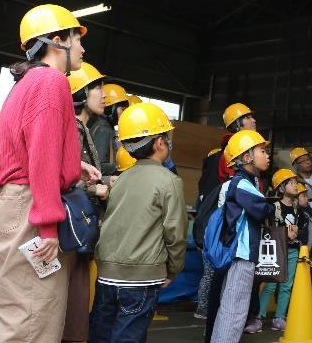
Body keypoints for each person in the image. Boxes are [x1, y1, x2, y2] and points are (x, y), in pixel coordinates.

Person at [0, 4, 101, 343]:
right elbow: (42, 160)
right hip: (31, 207)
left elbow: (27, 148)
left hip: (11, 204)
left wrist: (75, 166)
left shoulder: (26, 83)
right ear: (57, 41)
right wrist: (48, 225)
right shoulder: (51, 82)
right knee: (30, 315)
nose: (82, 48)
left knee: (6, 306)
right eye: (78, 39)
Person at [89, 103, 186, 343]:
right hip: (142, 278)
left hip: (107, 274)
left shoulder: (119, 180)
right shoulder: (169, 181)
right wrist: (172, 270)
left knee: (101, 334)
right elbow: (175, 233)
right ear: (159, 143)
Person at [210, 130, 276, 343]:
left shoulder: (243, 183)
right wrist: (272, 206)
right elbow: (263, 210)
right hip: (241, 255)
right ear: (247, 158)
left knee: (231, 306)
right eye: (262, 151)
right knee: (234, 310)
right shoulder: (241, 184)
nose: (267, 155)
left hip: (239, 256)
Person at [65, 61, 114, 343]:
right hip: (73, 231)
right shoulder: (74, 128)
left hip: (78, 231)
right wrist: (96, 190)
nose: (104, 95)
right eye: (97, 88)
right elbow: (65, 177)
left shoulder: (85, 128)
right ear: (80, 94)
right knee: (73, 298)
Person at [196, 103, 257, 321]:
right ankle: (212, 313)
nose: (254, 120)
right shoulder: (230, 154)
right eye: (248, 117)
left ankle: (212, 313)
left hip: (220, 218)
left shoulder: (221, 151)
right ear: (237, 124)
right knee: (218, 268)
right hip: (223, 218)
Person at [257, 170, 309, 331]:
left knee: (287, 285)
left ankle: (279, 317)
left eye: (296, 182)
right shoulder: (273, 208)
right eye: (291, 183)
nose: (296, 185)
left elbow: (301, 227)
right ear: (281, 187)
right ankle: (258, 316)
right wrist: (286, 233)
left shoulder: (298, 209)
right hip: (276, 250)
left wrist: (296, 232)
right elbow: (268, 228)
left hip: (292, 250)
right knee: (271, 284)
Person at [89, 83, 130, 176]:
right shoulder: (104, 129)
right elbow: (99, 166)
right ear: (110, 109)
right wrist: (123, 166)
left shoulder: (103, 125)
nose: (124, 114)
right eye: (122, 109)